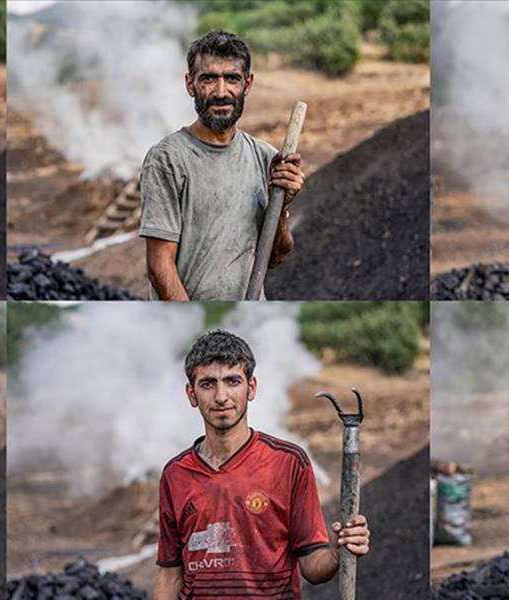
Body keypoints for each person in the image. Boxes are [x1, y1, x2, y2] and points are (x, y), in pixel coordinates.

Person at [153, 330, 370, 599]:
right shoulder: (176, 474)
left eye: (232, 381)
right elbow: (169, 574)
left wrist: (338, 552)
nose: (221, 396)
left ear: (251, 387)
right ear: (191, 393)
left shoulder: (288, 463)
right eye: (208, 384)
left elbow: (312, 565)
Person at [139, 30, 305, 301]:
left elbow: (274, 257)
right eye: (208, 79)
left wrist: (282, 204)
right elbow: (159, 266)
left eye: (231, 79)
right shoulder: (167, 159)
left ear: (247, 84)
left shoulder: (266, 157)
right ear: (190, 84)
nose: (220, 92)